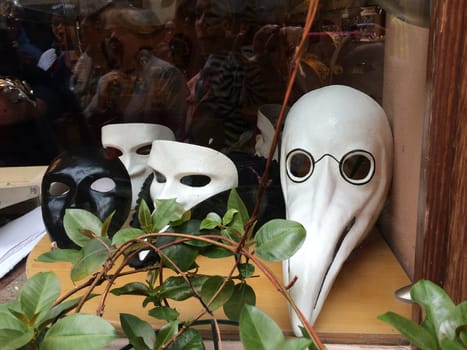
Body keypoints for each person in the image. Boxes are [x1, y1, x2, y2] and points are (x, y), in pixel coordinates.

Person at [84, 6, 189, 142]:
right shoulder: (106, 81)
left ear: (140, 34)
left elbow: (178, 132)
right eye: (109, 33)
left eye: (121, 30)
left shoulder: (165, 75)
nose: (113, 37)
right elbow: (85, 129)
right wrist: (99, 103)